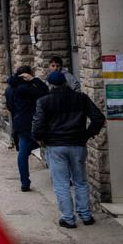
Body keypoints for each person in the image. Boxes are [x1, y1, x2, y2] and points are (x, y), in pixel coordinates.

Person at [33, 70, 105, 228]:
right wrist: (87, 134)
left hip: (56, 146)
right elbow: (98, 118)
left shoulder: (44, 101)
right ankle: (86, 215)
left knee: (61, 184)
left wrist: (42, 140)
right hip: (78, 144)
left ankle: (68, 218)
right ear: (66, 82)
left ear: (50, 85)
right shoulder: (81, 98)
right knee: (81, 181)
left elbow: (37, 127)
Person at [5, 65, 48, 191]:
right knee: (50, 147)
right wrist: (34, 79)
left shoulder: (9, 89)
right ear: (27, 75)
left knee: (23, 153)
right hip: (35, 124)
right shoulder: (26, 88)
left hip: (20, 124)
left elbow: (10, 107)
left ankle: (24, 182)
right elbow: (45, 92)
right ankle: (63, 178)